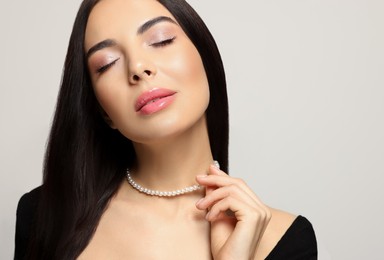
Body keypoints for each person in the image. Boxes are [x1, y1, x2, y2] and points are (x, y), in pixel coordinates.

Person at [14, 0, 317, 259]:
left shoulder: (285, 241)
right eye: (107, 63)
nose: (138, 67)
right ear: (103, 112)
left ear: (205, 59)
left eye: (160, 40)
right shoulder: (44, 215)